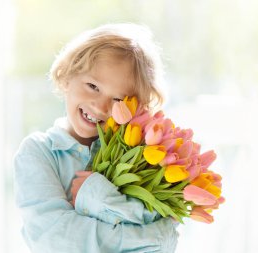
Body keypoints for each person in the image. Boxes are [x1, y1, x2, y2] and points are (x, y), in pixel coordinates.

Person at [14, 23, 178, 253]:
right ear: (68, 76)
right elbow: (54, 241)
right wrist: (152, 238)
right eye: (93, 86)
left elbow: (160, 220)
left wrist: (96, 196)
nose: (101, 106)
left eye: (119, 100)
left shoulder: (141, 157)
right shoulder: (38, 152)